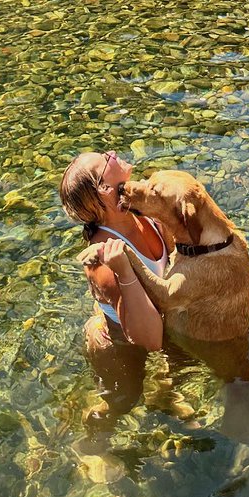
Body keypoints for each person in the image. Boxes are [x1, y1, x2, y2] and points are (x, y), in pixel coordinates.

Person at [59, 149, 177, 426]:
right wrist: (124, 271)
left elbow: (175, 261)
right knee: (122, 403)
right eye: (105, 157)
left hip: (157, 322)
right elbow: (151, 341)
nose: (112, 152)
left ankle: (164, 398)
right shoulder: (104, 261)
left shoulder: (143, 212)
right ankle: (94, 439)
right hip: (117, 345)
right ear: (103, 189)